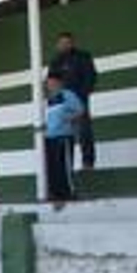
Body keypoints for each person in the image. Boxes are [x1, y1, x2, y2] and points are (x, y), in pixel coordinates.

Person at [48, 31, 98, 169]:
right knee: (62, 134)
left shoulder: (83, 57)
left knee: (84, 131)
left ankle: (88, 163)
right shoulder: (55, 61)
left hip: (79, 100)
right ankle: (64, 165)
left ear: (72, 43)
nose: (64, 45)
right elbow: (51, 83)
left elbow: (91, 77)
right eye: (61, 43)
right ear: (57, 45)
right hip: (61, 104)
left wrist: (82, 96)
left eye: (67, 42)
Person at [44, 70, 85, 206]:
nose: (49, 85)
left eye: (51, 82)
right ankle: (56, 193)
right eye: (47, 83)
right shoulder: (49, 99)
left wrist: (67, 118)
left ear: (59, 82)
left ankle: (69, 192)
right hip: (50, 137)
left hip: (64, 135)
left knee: (65, 165)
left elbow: (80, 110)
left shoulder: (67, 95)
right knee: (53, 167)